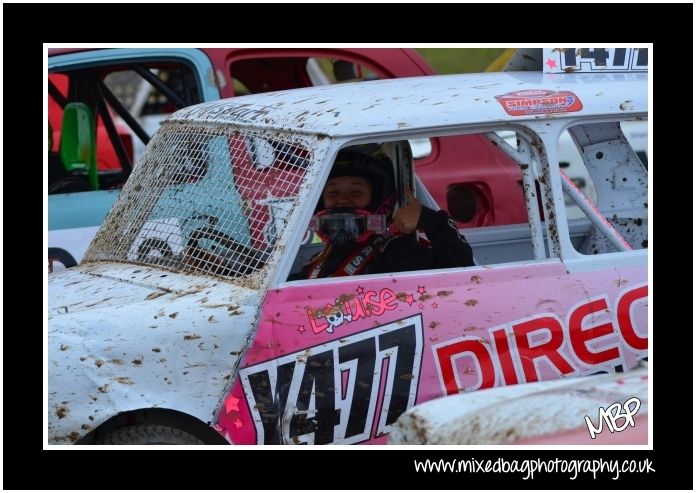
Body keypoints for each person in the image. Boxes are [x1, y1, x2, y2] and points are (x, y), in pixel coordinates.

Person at [288, 149, 474, 280]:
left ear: (377, 199)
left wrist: (431, 221)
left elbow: (465, 273)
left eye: (356, 192)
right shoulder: (321, 259)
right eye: (333, 193)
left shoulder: (395, 251)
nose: (342, 200)